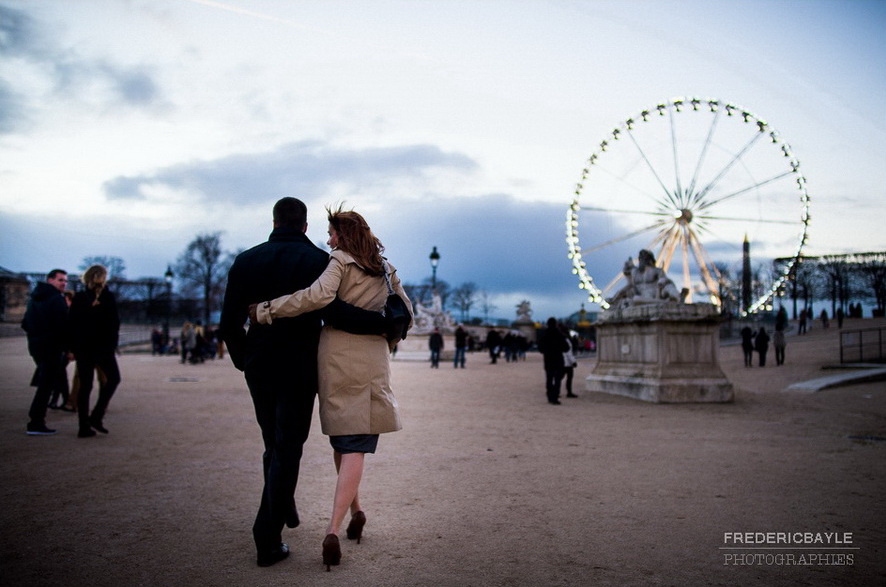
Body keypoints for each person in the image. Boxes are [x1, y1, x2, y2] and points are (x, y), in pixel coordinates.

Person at [220, 197, 391, 569]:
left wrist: (243, 359)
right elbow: (333, 310)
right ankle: (267, 538)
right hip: (300, 365)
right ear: (306, 226)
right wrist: (383, 325)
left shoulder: (246, 260)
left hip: (260, 362)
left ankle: (280, 504)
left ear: (274, 221)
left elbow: (228, 322)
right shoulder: (320, 261)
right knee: (286, 447)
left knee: (272, 442)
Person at [68, 265, 122, 438]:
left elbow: (71, 325)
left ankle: (83, 426)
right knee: (113, 379)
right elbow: (114, 325)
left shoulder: (80, 298)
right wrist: (112, 345)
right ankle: (97, 415)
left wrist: (73, 348)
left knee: (85, 387)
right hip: (103, 348)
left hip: (83, 348)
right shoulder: (107, 297)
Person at [21, 269, 70, 435]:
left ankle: (36, 419)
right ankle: (36, 422)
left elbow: (25, 323)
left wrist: (36, 335)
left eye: (65, 281)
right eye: (60, 280)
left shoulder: (34, 298)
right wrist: (67, 348)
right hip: (51, 347)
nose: (64, 283)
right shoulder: (57, 299)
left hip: (36, 346)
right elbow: (63, 327)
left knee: (45, 383)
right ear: (50, 280)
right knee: (46, 385)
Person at [538, 318, 570, 404]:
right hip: (558, 359)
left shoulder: (544, 335)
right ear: (555, 324)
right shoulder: (559, 334)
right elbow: (566, 348)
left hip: (548, 359)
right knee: (557, 379)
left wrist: (546, 351)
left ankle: (549, 396)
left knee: (549, 379)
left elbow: (540, 349)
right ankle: (555, 397)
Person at [562, 326, 578, 398]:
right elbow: (569, 353)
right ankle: (569, 392)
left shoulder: (561, 339)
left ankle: (555, 391)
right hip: (567, 363)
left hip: (562, 361)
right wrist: (573, 362)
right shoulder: (567, 340)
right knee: (569, 377)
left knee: (560, 377)